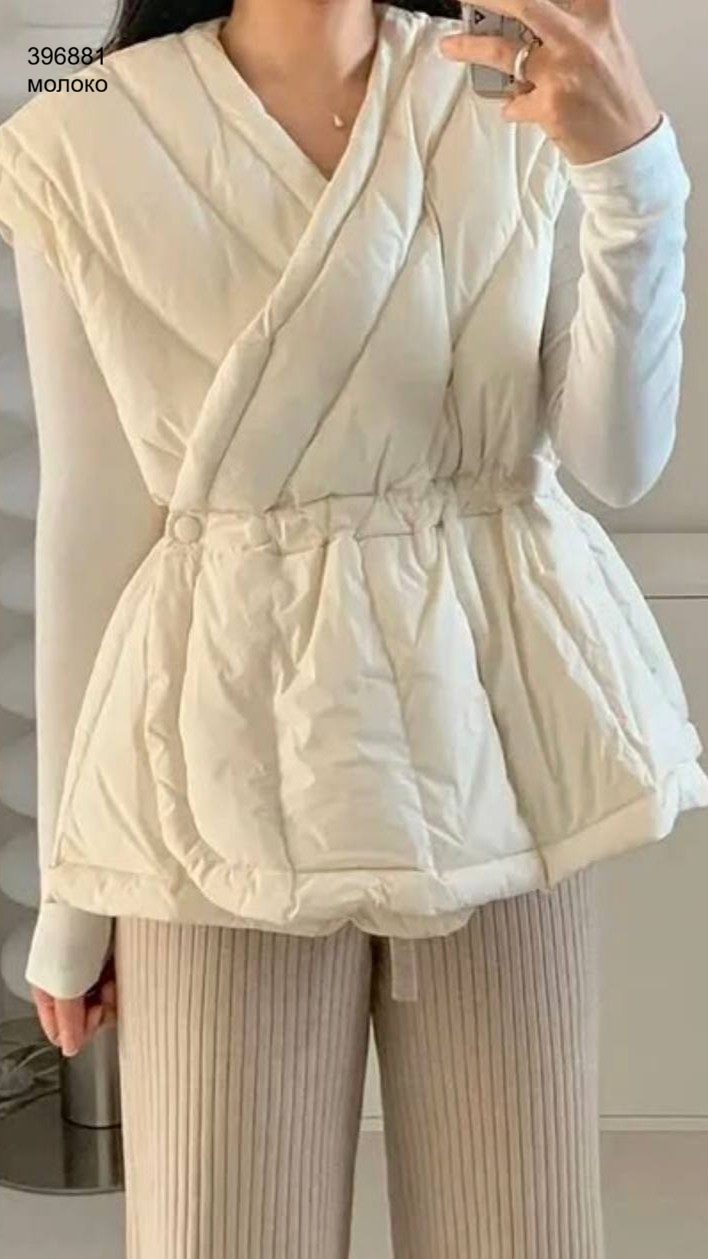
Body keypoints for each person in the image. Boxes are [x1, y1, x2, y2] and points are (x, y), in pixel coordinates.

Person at [1, 0, 706, 1254]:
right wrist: (74, 893)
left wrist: (634, 174)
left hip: (500, 735)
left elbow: (613, 458)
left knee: (522, 1229)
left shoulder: (509, 91)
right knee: (223, 1229)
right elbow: (94, 520)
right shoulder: (87, 130)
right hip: (212, 765)